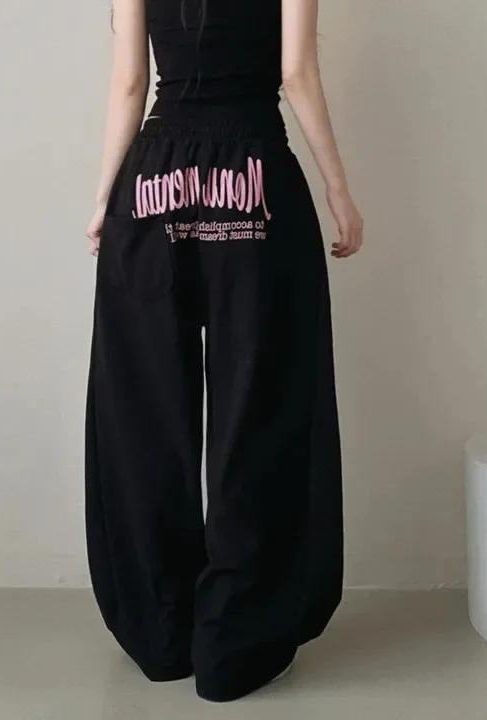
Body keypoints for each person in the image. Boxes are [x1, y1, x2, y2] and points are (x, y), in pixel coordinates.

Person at [85, 0, 363, 703]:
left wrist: (104, 199)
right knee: (260, 408)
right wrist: (337, 188)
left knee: (147, 412)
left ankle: (162, 630)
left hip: (153, 183)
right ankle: (237, 643)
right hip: (255, 173)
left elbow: (130, 83)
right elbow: (296, 72)